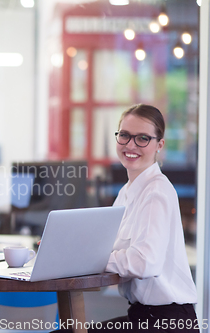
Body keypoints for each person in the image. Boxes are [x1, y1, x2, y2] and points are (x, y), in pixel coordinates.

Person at [54, 104, 198, 332]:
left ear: (159, 144)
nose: (131, 145)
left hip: (167, 322)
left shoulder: (156, 190)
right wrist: (71, 249)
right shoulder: (126, 192)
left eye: (143, 138)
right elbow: (106, 246)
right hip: (143, 316)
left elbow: (144, 262)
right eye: (124, 135)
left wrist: (88, 257)